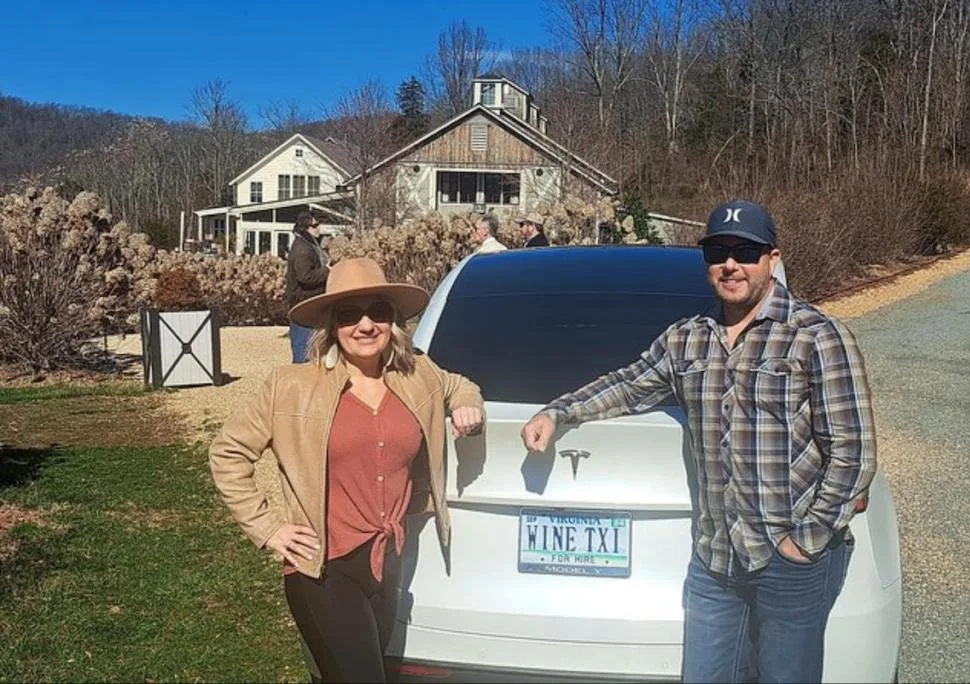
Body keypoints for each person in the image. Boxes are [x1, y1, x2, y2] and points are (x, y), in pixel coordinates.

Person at [520, 199, 876, 683]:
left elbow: (853, 450)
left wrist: (806, 540)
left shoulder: (817, 336)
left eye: (745, 251)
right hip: (714, 559)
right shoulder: (686, 339)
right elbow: (629, 384)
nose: (730, 264)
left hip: (789, 560)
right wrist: (558, 411)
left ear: (772, 258)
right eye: (717, 251)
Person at [209, 257, 485, 683]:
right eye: (349, 314)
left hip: (388, 561)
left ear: (392, 321)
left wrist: (468, 405)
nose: (365, 324)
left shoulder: (419, 374)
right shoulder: (292, 386)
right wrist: (267, 528)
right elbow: (228, 453)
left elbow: (460, 385)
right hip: (323, 569)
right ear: (331, 326)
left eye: (377, 311)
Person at [285, 212, 329, 363]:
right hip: (302, 304)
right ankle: (300, 379)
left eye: (318, 225)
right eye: (314, 226)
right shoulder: (302, 249)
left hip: (308, 301)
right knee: (302, 347)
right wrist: (327, 271)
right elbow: (305, 277)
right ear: (305, 228)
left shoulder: (309, 244)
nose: (318, 228)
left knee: (310, 345)